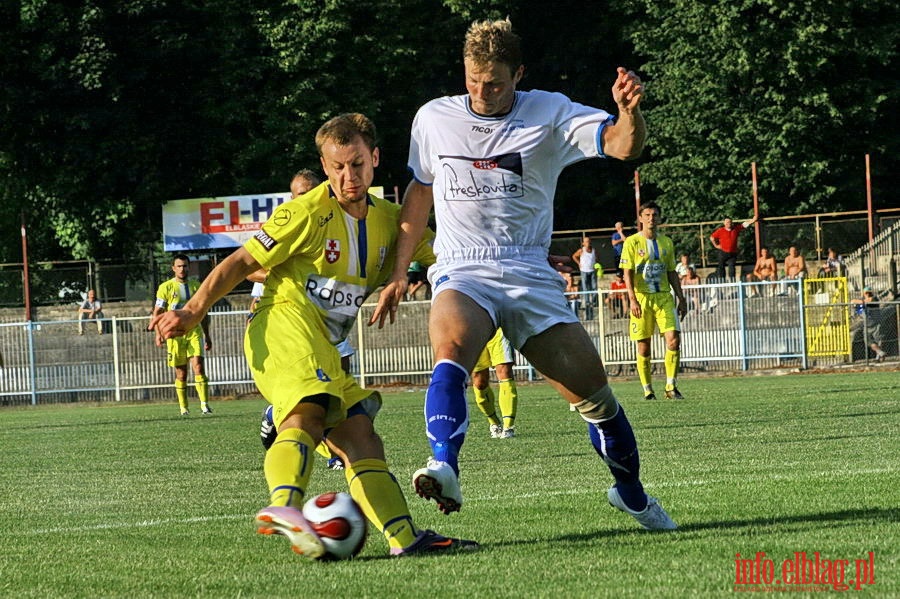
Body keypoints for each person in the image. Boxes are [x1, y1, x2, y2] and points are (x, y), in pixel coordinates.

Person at [371, 18, 676, 530]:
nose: (481, 91)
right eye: (472, 79)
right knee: (450, 350)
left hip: (529, 271)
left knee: (597, 400)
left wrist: (630, 112)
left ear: (519, 75)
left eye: (494, 82)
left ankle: (632, 495)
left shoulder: (551, 112)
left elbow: (624, 145)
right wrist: (401, 271)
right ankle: (444, 465)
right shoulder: (433, 119)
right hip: (462, 266)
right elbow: (419, 192)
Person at [150, 113, 476, 558]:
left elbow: (452, 256)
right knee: (308, 413)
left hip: (324, 344)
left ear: (375, 158)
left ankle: (405, 540)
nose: (349, 176)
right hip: (281, 325)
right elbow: (240, 262)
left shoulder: (394, 223)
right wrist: (191, 310)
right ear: (325, 167)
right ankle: (284, 508)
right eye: (338, 166)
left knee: (361, 436)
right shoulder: (304, 213)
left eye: (357, 163)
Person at [620, 201, 688, 401]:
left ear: (659, 218)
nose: (651, 218)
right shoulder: (632, 242)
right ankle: (648, 389)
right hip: (641, 298)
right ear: (641, 218)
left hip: (664, 297)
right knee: (644, 345)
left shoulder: (666, 242)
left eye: (655, 215)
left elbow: (671, 272)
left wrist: (681, 298)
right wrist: (632, 300)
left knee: (674, 338)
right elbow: (627, 273)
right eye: (647, 215)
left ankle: (671, 386)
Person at [151, 254, 212, 416]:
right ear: (173, 268)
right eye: (179, 266)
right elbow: (157, 312)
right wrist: (158, 334)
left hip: (194, 332)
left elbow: (203, 312)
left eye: (185, 266)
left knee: (198, 365)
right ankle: (184, 408)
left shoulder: (195, 286)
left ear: (189, 267)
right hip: (175, 335)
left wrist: (207, 335)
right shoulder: (166, 287)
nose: (182, 269)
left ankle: (205, 405)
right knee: (181, 372)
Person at [471, 328, 518, 438]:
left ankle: (508, 427)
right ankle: (494, 422)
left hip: (499, 328)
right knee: (480, 382)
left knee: (505, 371)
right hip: (475, 330)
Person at [709, 216, 757, 281]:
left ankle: (732, 281)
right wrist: (716, 245)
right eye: (727, 222)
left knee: (732, 268)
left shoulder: (735, 229)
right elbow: (712, 237)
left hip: (732, 253)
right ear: (724, 223)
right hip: (723, 252)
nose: (729, 223)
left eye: (730, 222)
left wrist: (753, 220)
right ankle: (722, 281)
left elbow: (744, 225)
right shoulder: (720, 230)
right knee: (721, 267)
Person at [851, 287, 887, 362]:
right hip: (867, 325)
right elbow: (858, 310)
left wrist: (858, 302)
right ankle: (880, 353)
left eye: (868, 293)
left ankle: (878, 357)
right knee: (869, 342)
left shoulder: (874, 298)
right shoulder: (862, 301)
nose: (867, 294)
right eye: (866, 293)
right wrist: (857, 305)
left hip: (876, 324)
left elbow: (868, 301)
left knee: (879, 340)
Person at [572, 236, 599, 319]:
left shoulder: (594, 250)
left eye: (589, 241)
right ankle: (587, 301)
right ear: (583, 243)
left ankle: (593, 301)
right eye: (586, 242)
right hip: (584, 271)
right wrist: (579, 263)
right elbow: (574, 256)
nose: (588, 243)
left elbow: (597, 258)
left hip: (592, 270)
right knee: (585, 288)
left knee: (594, 287)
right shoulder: (581, 251)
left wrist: (596, 265)